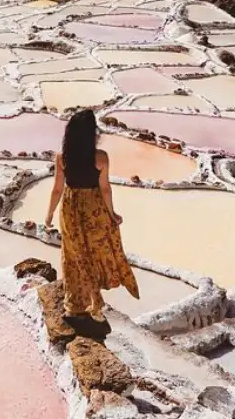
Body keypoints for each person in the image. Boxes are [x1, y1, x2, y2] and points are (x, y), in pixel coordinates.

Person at [45, 109, 139, 325]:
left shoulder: (62, 158)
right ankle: (93, 301)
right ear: (91, 134)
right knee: (94, 253)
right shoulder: (101, 157)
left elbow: (57, 189)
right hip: (94, 209)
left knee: (73, 255)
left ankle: (76, 305)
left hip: (70, 208)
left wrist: (49, 214)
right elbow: (105, 188)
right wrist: (111, 213)